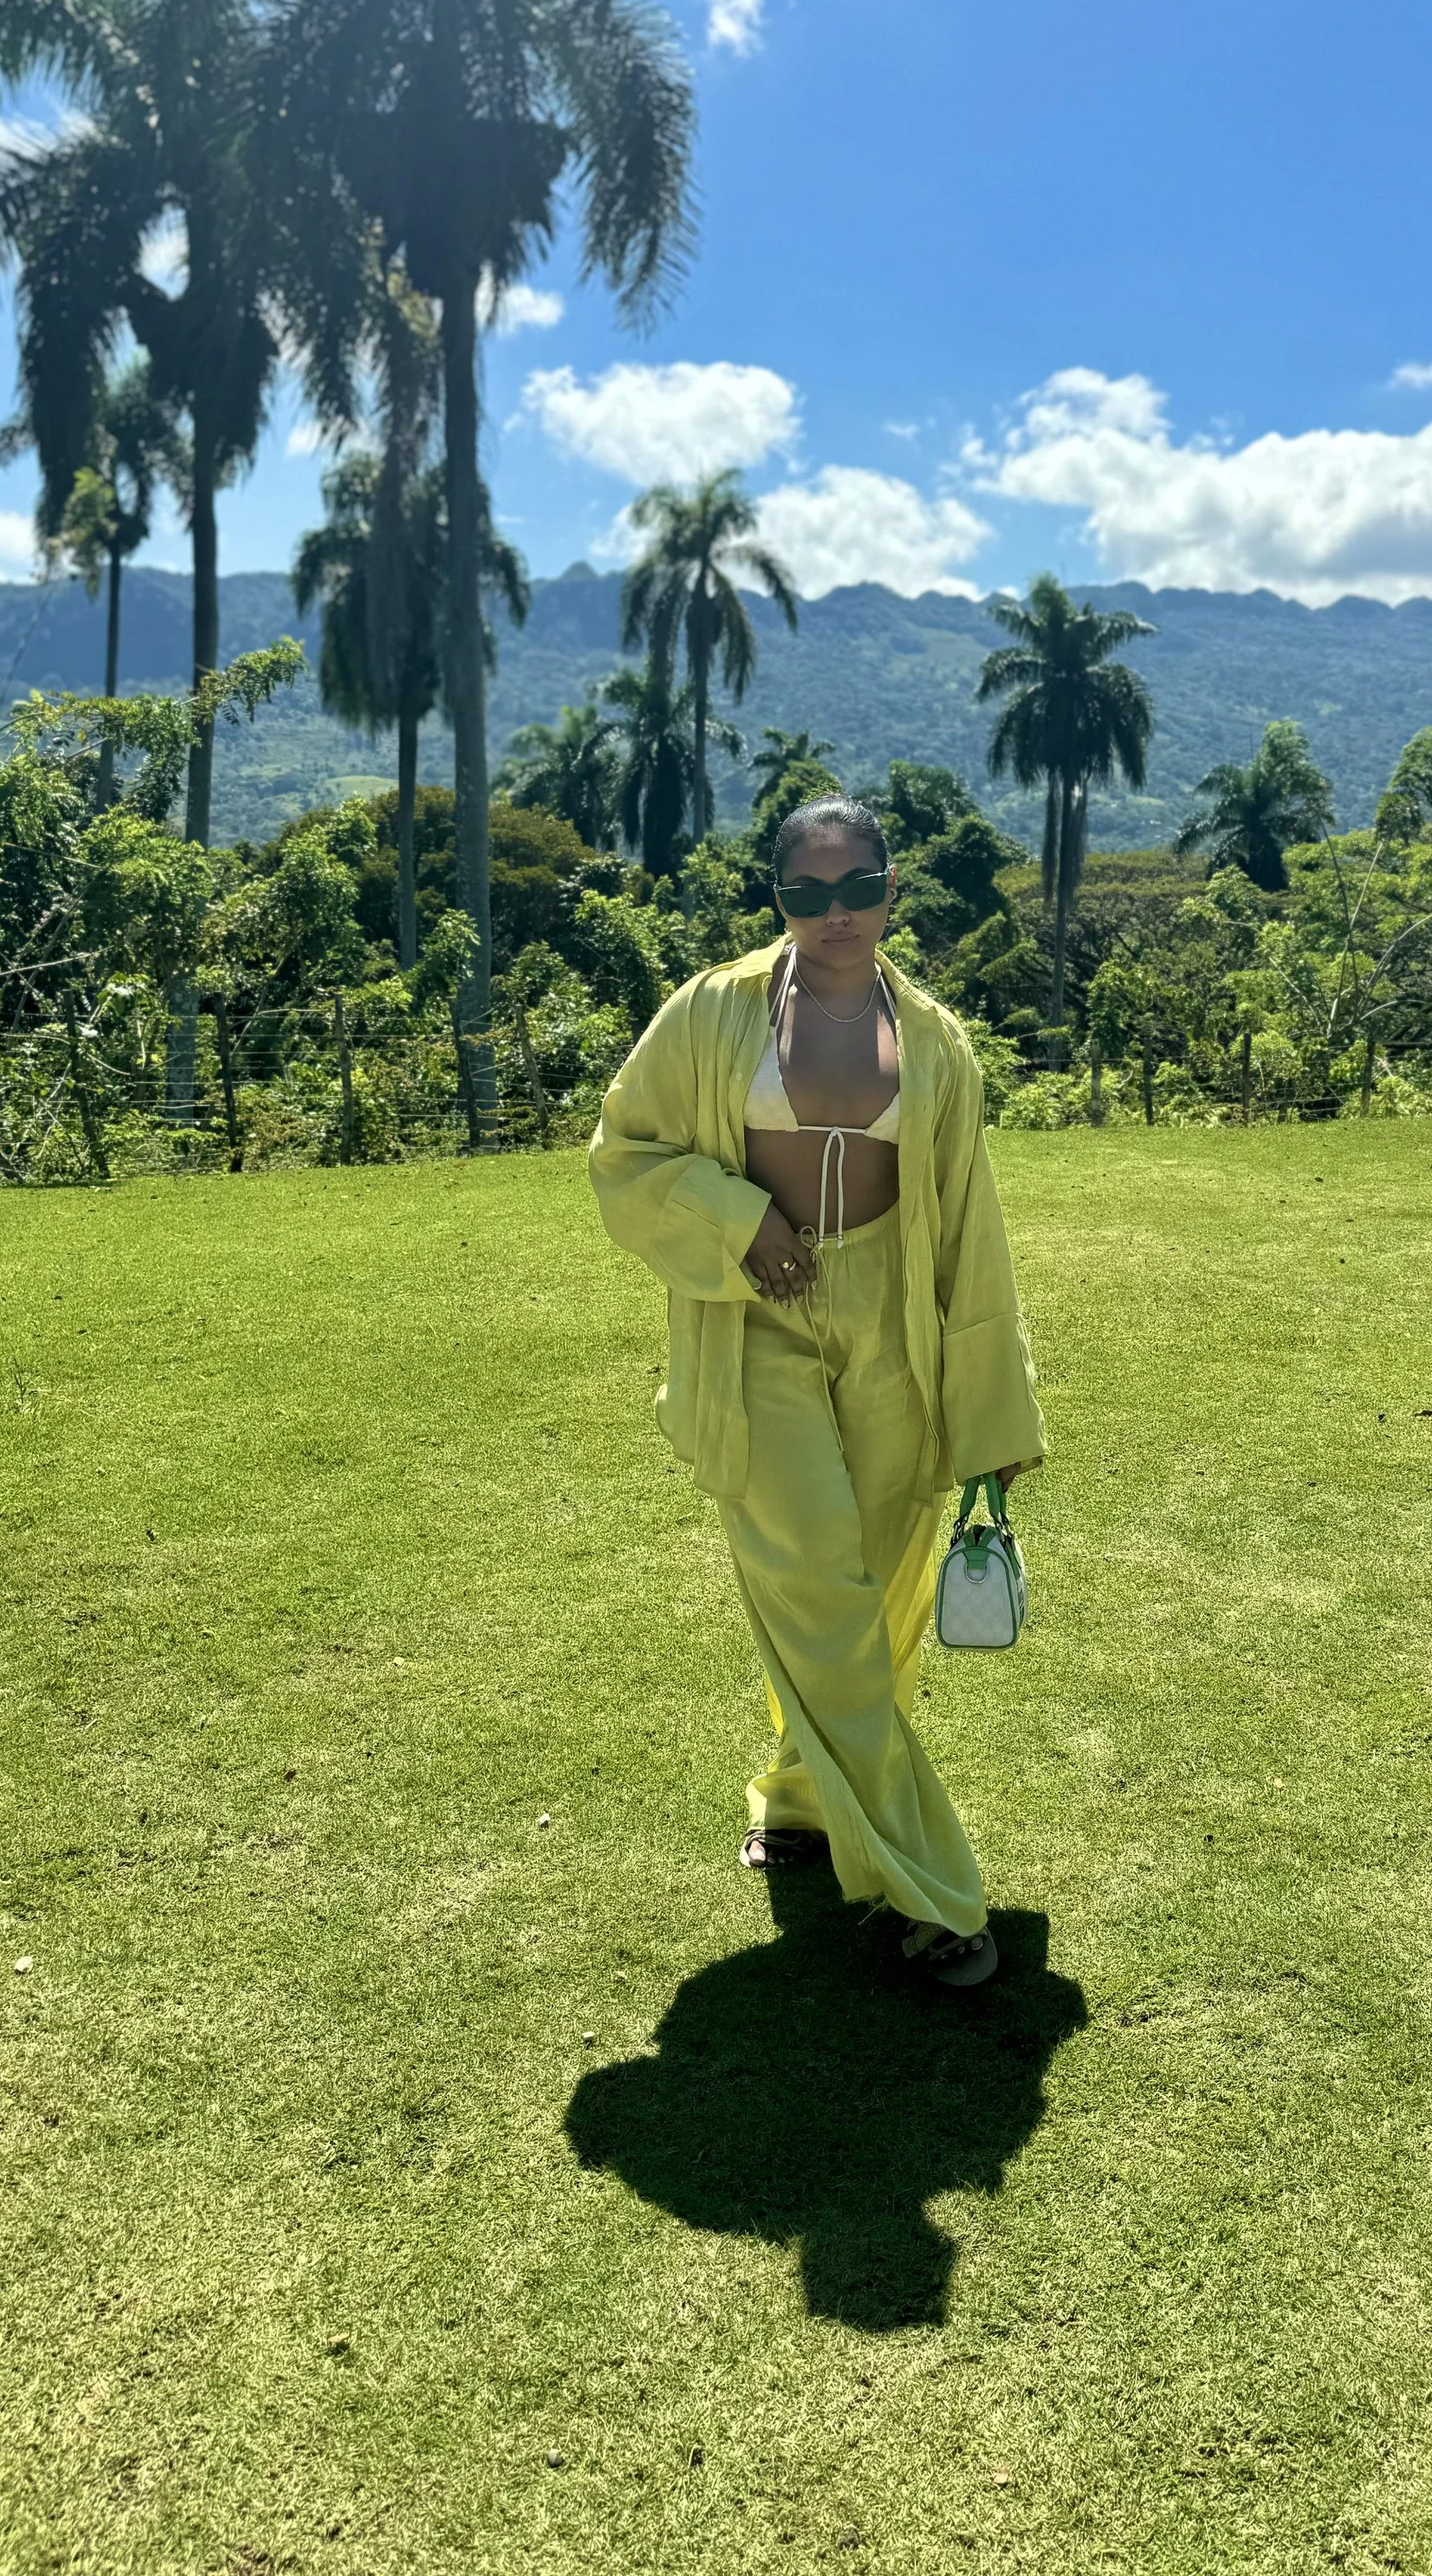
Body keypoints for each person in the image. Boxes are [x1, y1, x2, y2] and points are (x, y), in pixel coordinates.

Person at [588, 795, 1043, 1989]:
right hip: (761, 1327)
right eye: (807, 892)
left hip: (892, 1321)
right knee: (817, 1585)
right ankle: (926, 1889)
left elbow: (970, 1232)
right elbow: (624, 1152)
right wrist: (740, 1224)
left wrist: (989, 1410)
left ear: (894, 892)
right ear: (777, 898)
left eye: (858, 889)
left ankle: (796, 1797)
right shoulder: (711, 1015)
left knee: (881, 1584)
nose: (835, 915)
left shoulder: (937, 1042)